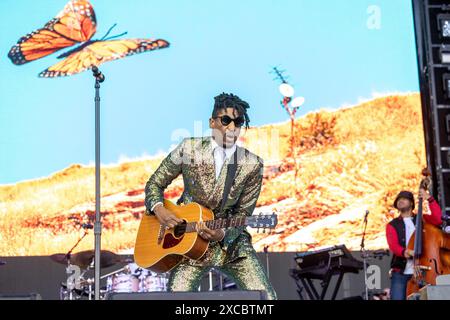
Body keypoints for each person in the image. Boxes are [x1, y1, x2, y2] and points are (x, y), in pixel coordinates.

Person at [144, 92, 277, 300]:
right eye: (226, 120)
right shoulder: (189, 148)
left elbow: (243, 212)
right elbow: (155, 183)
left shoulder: (252, 164)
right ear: (212, 122)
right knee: (176, 300)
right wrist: (159, 208)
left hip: (232, 247)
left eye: (238, 122)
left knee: (266, 298)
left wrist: (223, 233)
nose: (232, 127)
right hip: (189, 245)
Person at [385, 188, 442, 300]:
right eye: (398, 200)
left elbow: (438, 219)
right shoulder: (392, 225)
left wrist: (429, 199)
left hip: (424, 270)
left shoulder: (422, 219)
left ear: (411, 203)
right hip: (401, 272)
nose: (400, 201)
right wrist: (406, 252)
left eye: (404, 199)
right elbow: (393, 245)